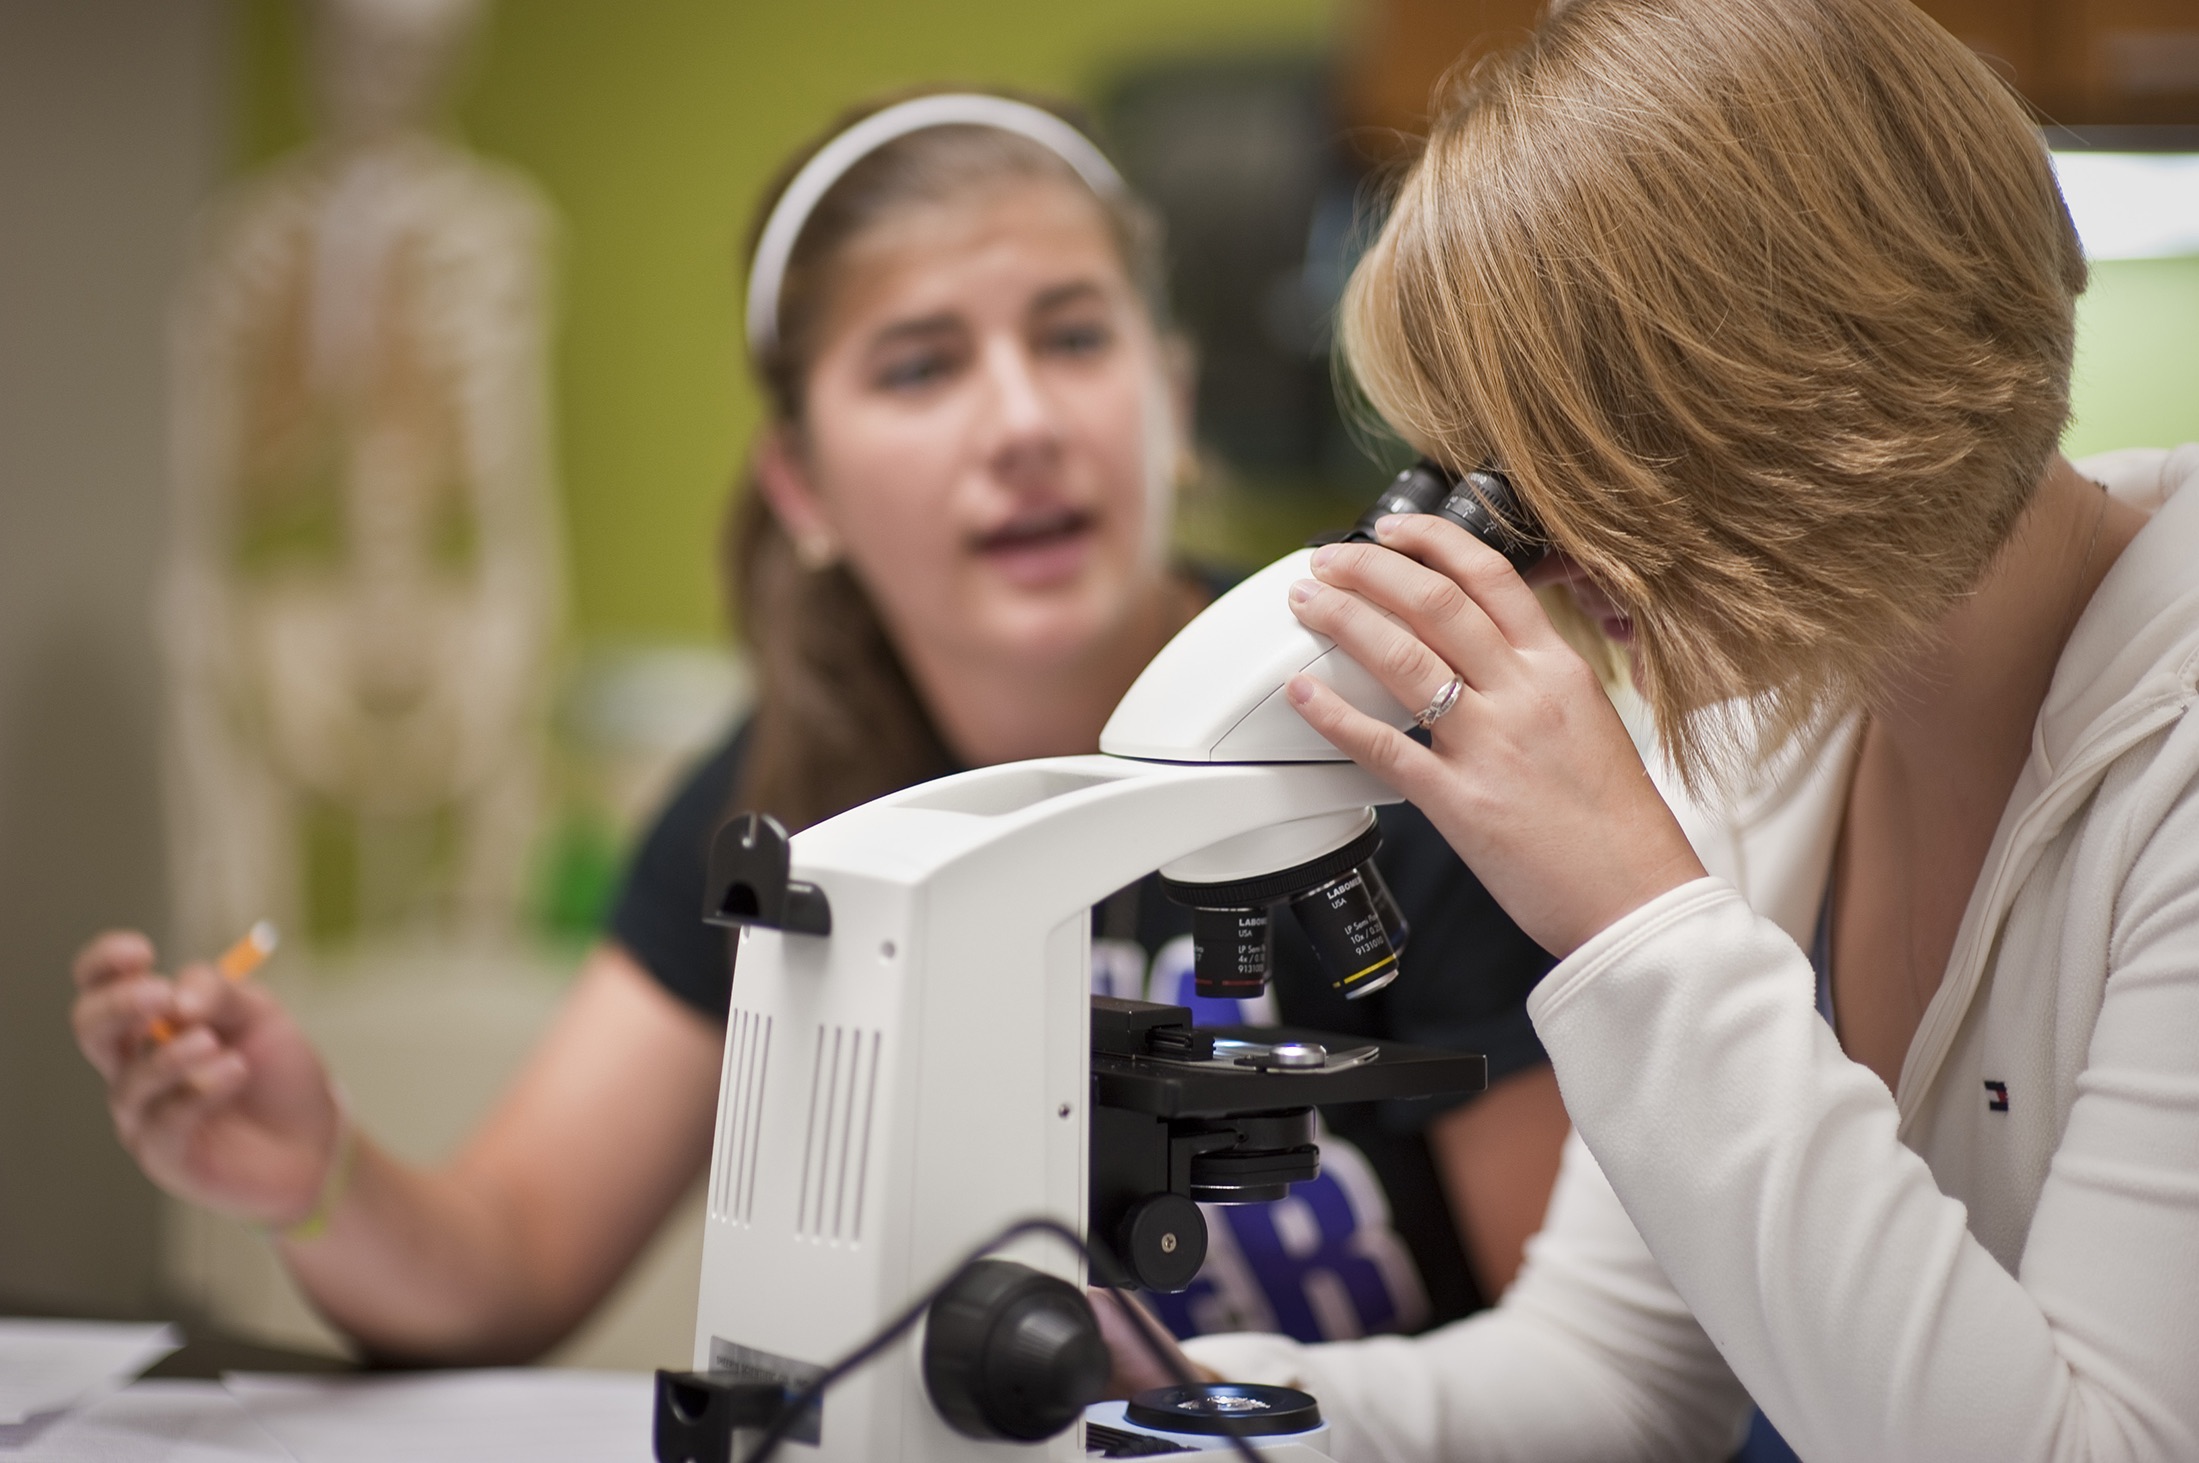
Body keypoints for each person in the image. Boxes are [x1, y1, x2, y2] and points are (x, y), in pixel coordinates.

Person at [70, 90, 1569, 1364]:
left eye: (1072, 337)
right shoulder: (780, 798)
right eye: (919, 366)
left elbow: (1585, 1364)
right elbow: (509, 1262)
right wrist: (311, 1173)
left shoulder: (1382, 736)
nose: (1020, 423)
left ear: (1171, 407)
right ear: (805, 492)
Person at [1098, 0, 2199, 1458]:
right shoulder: (1767, 713)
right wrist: (1153, 1413)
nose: (1532, 557)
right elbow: (1612, 1384)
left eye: (1562, 462)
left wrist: (1632, 909)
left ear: (1800, 393)